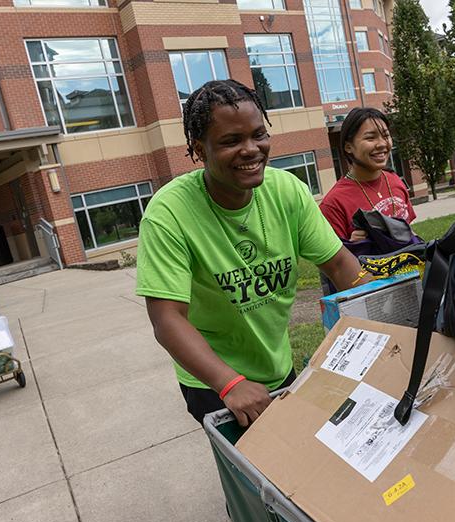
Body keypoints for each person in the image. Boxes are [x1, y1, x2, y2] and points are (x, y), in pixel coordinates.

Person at [136, 79, 370, 427]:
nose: (251, 149)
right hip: (214, 380)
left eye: (258, 135)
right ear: (199, 150)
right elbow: (167, 319)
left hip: (276, 366)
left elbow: (338, 264)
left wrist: (379, 320)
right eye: (231, 141)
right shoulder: (169, 212)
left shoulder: (286, 190)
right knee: (254, 477)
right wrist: (230, 382)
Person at [319, 107, 416, 242]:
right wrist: (354, 247)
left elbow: (410, 231)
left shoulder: (395, 180)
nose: (382, 144)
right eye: (370, 138)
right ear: (348, 147)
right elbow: (334, 260)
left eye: (386, 135)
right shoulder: (333, 204)